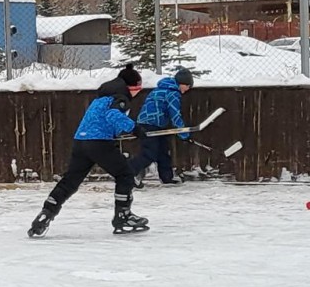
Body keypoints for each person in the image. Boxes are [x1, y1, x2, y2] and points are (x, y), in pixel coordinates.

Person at [28, 64, 149, 237]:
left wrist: (115, 135)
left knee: (70, 181)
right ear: (133, 86)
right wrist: (134, 129)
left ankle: (46, 213)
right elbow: (113, 116)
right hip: (98, 142)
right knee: (125, 175)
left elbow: (100, 121)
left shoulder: (102, 97)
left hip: (81, 141)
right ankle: (123, 216)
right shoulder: (121, 96)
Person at [129, 67, 194, 187]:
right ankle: (129, 172)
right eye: (188, 86)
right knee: (149, 153)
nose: (188, 89)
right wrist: (183, 133)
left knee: (163, 152)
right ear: (182, 83)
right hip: (151, 124)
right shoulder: (173, 93)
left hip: (153, 124)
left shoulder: (159, 89)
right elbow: (175, 113)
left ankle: (167, 177)